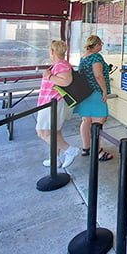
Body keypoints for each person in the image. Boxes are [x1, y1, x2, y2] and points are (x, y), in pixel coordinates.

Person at [36, 40, 80, 168]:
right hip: (50, 103)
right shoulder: (60, 64)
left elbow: (66, 81)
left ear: (52, 51)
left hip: (53, 103)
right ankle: (55, 159)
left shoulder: (61, 65)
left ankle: (69, 150)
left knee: (43, 132)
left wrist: (49, 76)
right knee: (55, 132)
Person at [74, 35, 113, 161]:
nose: (101, 46)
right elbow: (98, 75)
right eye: (100, 44)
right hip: (96, 93)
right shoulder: (96, 56)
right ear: (95, 45)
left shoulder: (84, 56)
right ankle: (97, 151)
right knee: (98, 121)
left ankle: (86, 148)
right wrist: (104, 90)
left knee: (86, 121)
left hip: (84, 93)